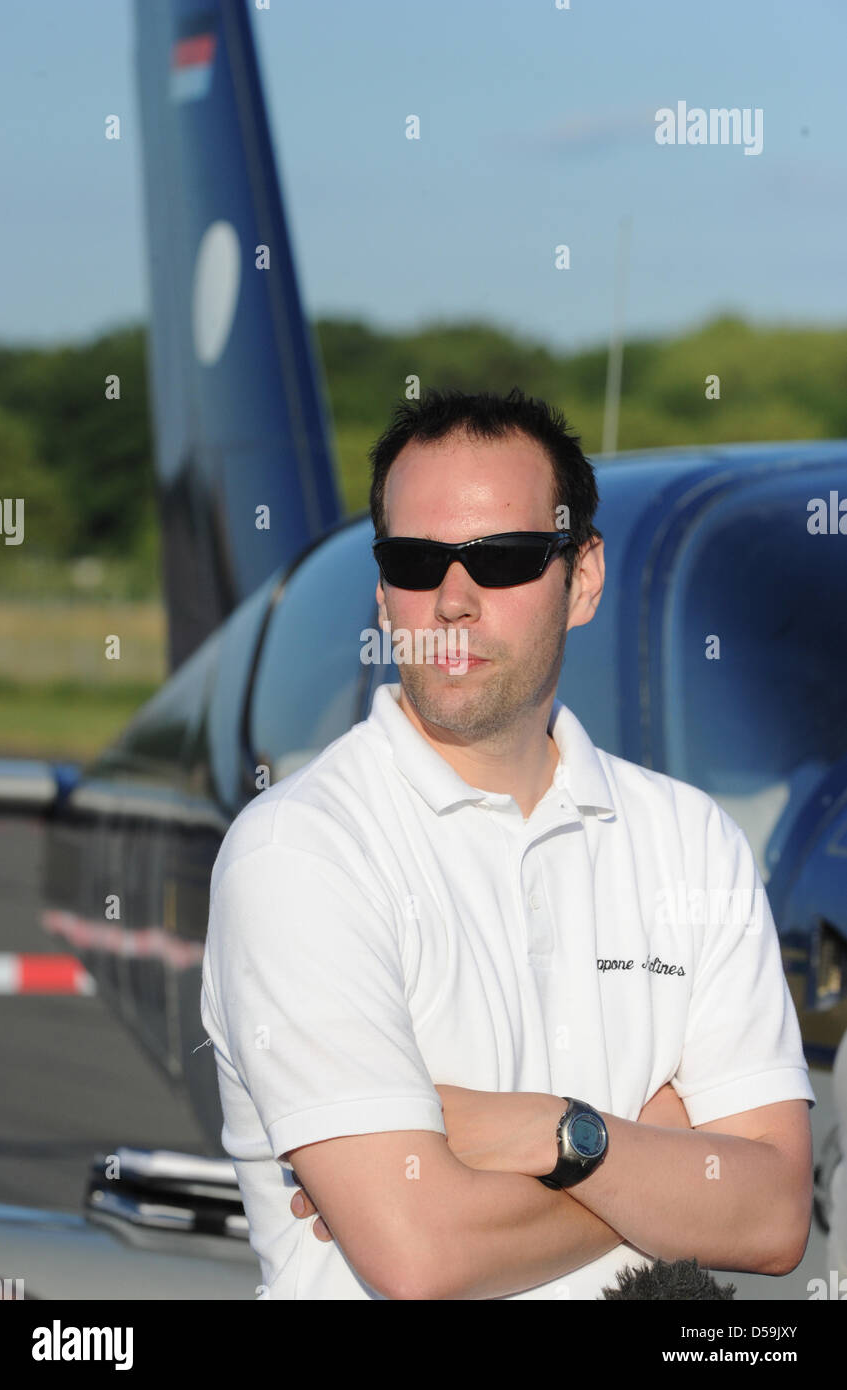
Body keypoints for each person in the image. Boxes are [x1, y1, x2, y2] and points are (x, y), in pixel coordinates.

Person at [200, 387, 815, 1300]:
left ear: (583, 578)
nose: (451, 598)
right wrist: (644, 1152)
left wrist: (548, 1130)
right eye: (414, 560)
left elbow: (772, 1216)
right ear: (382, 590)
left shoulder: (694, 842)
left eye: (505, 560)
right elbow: (419, 1255)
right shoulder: (298, 852)